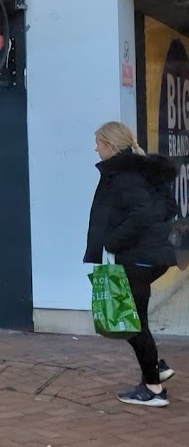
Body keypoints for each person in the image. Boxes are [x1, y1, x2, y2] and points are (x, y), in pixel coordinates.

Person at [85, 121, 178, 407]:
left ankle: (153, 388)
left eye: (99, 143)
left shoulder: (125, 174)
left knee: (131, 322)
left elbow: (141, 214)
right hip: (150, 255)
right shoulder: (141, 169)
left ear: (111, 146)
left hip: (138, 257)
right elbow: (168, 208)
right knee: (135, 318)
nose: (95, 148)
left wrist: (113, 241)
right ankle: (156, 369)